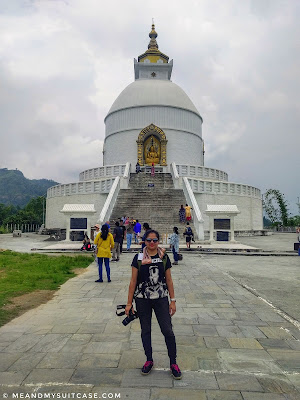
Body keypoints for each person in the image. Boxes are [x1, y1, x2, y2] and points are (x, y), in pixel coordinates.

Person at [125, 229, 182, 380]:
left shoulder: (164, 257)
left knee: (167, 330)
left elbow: (169, 280)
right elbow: (133, 282)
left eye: (155, 240)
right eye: (149, 240)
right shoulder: (137, 258)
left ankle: (173, 362)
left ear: (158, 241)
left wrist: (173, 300)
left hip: (161, 298)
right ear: (144, 241)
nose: (152, 243)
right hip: (142, 299)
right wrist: (129, 303)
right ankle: (149, 359)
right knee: (146, 330)